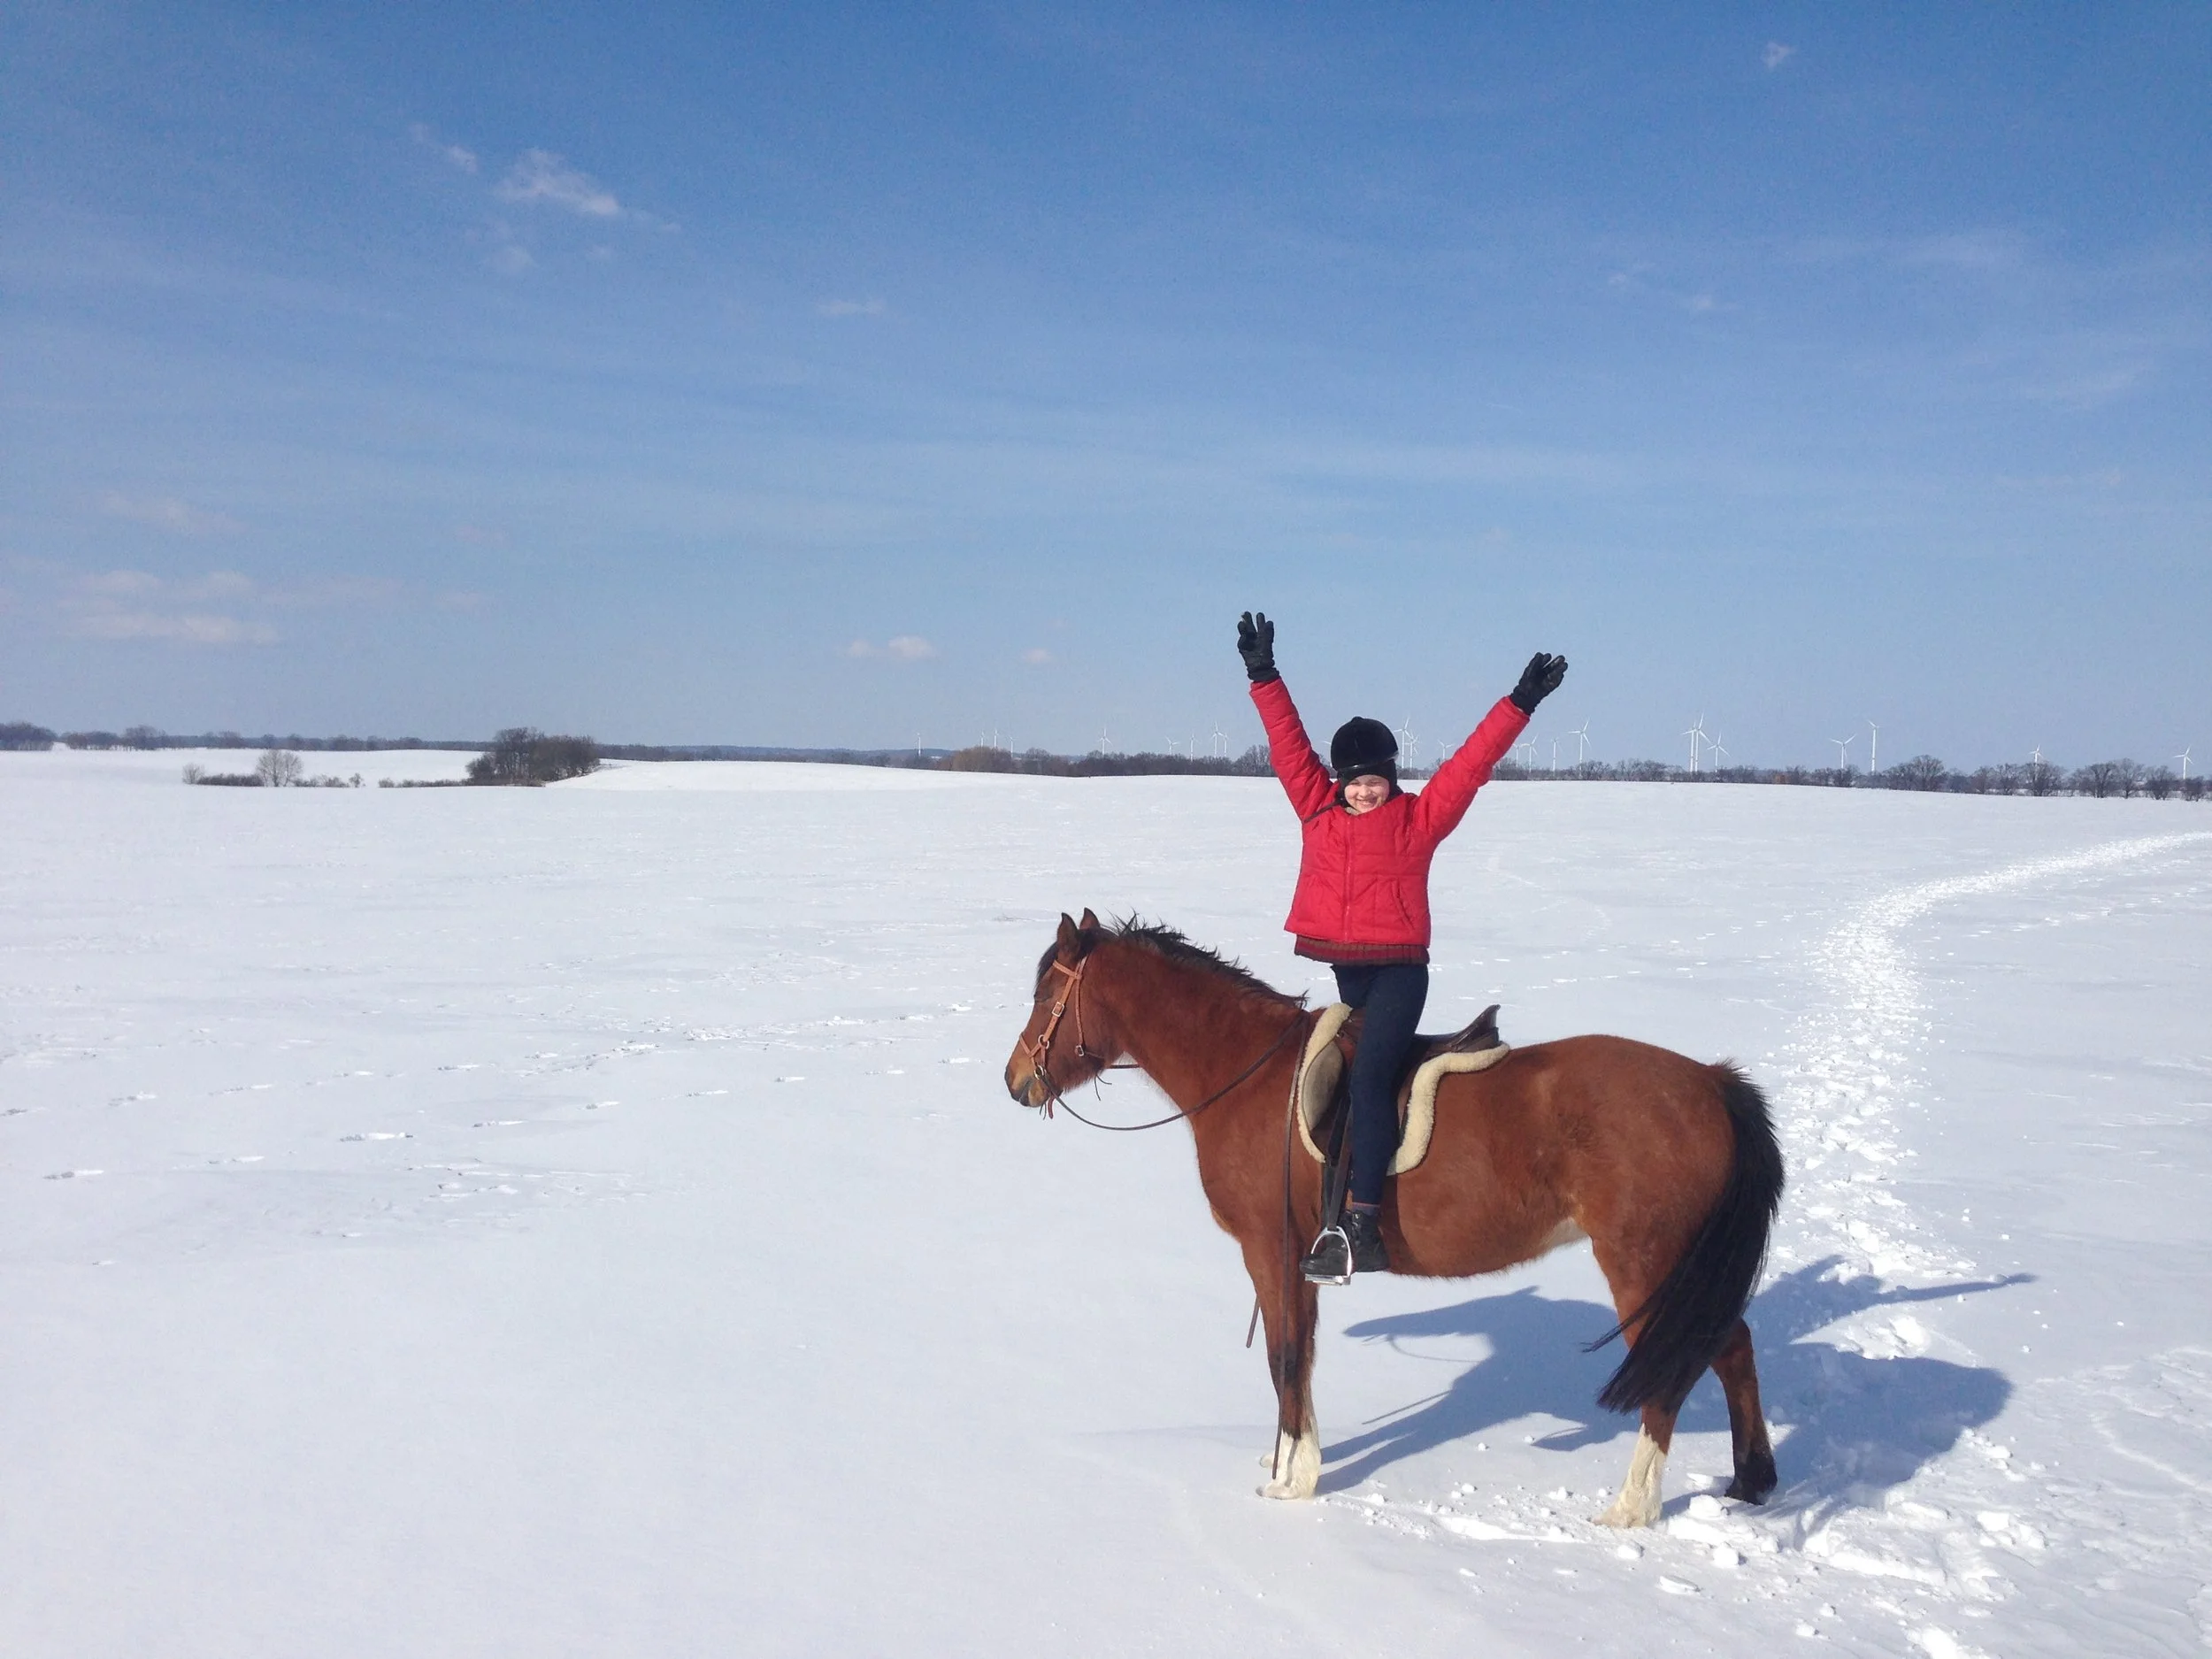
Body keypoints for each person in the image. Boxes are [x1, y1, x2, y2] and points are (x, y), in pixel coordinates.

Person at [1237, 611, 1566, 1282]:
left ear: (1391, 776)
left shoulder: (1417, 819)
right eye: (1354, 779)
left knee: (1369, 1076)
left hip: (1398, 975)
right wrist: (1263, 673)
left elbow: (1469, 766)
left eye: (1375, 778)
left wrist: (1520, 703)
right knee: (1332, 1080)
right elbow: (1288, 745)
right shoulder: (1317, 809)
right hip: (1347, 972)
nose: (1364, 789)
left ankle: (1361, 1221)